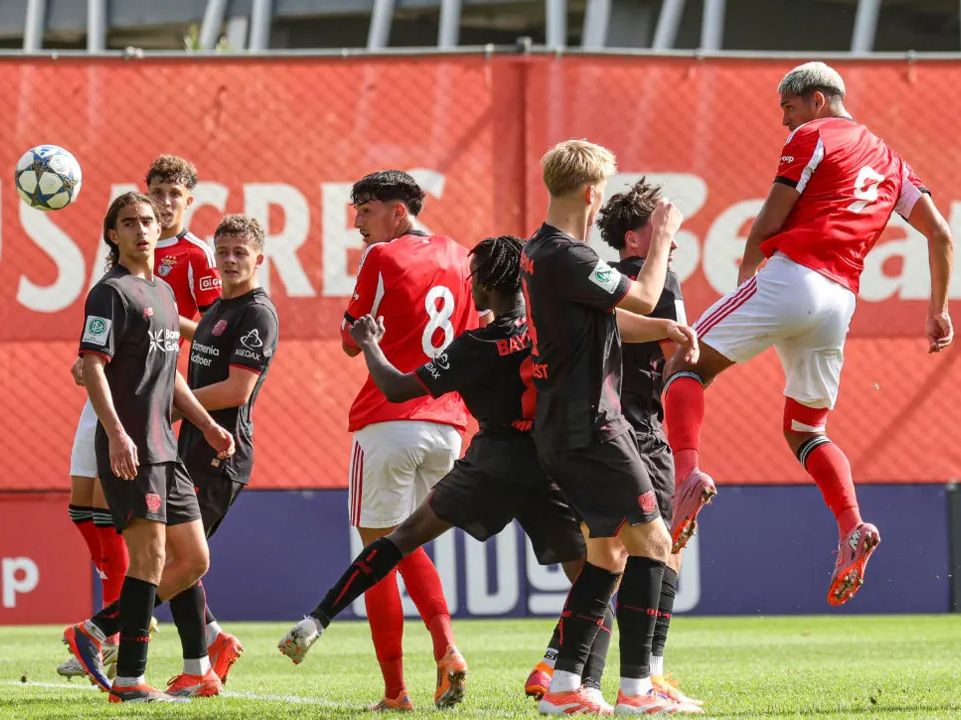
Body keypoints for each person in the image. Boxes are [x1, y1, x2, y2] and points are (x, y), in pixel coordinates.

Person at [662, 61, 955, 606]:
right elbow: (939, 233)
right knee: (805, 430)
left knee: (684, 363)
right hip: (840, 302)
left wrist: (750, 280)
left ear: (817, 100)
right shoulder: (892, 161)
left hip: (793, 276)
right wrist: (938, 310)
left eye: (788, 108)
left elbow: (770, 220)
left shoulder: (812, 135)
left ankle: (687, 478)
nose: (784, 121)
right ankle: (851, 526)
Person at [280, 235, 594, 710]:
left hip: (489, 466)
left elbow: (397, 386)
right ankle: (567, 673)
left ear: (487, 284)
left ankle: (318, 619)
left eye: (474, 279)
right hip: (546, 466)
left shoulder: (477, 344)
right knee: (591, 579)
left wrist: (369, 343)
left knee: (399, 540)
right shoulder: (549, 329)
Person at [520, 139, 702, 716]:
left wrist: (664, 333)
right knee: (652, 543)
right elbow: (647, 296)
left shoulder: (542, 251)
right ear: (592, 194)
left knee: (607, 555)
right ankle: (638, 692)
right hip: (591, 424)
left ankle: (567, 687)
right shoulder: (568, 257)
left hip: (563, 426)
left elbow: (608, 318)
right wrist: (667, 232)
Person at [61, 192, 235, 703]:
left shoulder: (163, 292)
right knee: (150, 558)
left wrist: (205, 425)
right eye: (129, 223)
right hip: (131, 447)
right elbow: (92, 365)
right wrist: (115, 434)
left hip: (167, 447)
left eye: (149, 222)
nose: (142, 229)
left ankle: (94, 631)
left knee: (194, 560)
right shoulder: (109, 293)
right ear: (112, 235)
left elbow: (170, 374)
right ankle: (130, 679)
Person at [336, 170, 477, 710]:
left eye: (366, 210)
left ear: (399, 211)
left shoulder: (382, 257)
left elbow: (351, 339)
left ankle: (397, 691)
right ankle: (445, 650)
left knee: (379, 554)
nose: (357, 222)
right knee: (407, 543)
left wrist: (358, 330)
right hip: (448, 426)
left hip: (390, 418)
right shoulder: (463, 257)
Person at [172, 214, 278, 686]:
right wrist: (142, 308)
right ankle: (207, 652)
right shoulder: (218, 310)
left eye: (241, 252)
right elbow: (201, 333)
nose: (231, 260)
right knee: (179, 556)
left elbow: (238, 390)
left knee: (179, 558)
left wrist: (173, 406)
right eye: (225, 251)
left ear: (259, 258)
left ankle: (107, 627)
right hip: (192, 446)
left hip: (221, 454)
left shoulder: (258, 312)